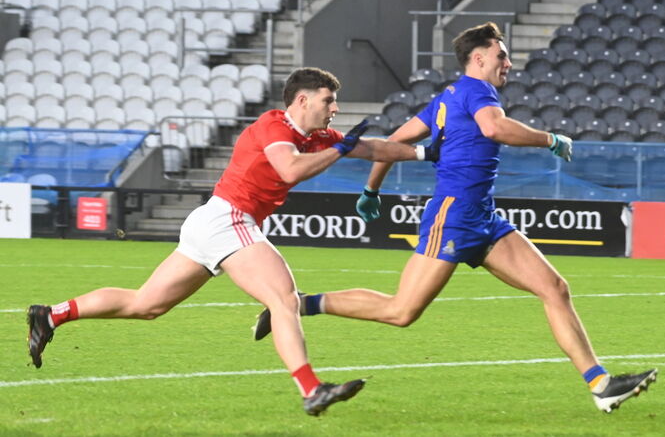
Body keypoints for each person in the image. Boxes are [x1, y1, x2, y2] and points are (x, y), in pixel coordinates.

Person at [253, 24, 657, 413]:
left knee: (554, 287)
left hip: (483, 216)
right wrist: (550, 139)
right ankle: (300, 305)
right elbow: (493, 128)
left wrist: (371, 190)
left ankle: (601, 384)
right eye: (503, 56)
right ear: (478, 58)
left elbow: (393, 141)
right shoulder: (477, 91)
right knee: (401, 312)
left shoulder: (449, 96)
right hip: (454, 215)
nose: (509, 64)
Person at [26, 67, 440, 416]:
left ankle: (51, 315)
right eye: (328, 100)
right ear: (301, 101)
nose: (335, 108)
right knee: (284, 299)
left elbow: (372, 148)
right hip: (228, 219)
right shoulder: (274, 126)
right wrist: (341, 149)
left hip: (213, 221)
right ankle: (312, 389)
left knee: (146, 304)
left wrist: (425, 154)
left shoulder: (316, 138)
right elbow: (290, 170)